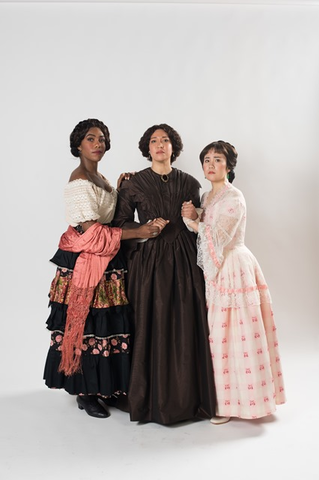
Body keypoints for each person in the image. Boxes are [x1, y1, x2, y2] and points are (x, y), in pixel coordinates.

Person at [43, 119, 160, 419]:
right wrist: (141, 231)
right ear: (78, 145)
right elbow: (92, 232)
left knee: (106, 323)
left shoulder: (100, 178)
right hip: (86, 258)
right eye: (91, 139)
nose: (98, 144)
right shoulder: (79, 181)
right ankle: (86, 391)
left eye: (102, 139)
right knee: (90, 325)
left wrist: (120, 188)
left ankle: (105, 384)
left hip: (107, 258)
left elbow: (107, 214)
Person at [113, 123, 216, 425]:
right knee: (148, 321)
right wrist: (144, 230)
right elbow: (119, 224)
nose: (160, 145)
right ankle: (147, 398)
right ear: (147, 149)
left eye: (166, 140)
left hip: (184, 260)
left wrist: (192, 216)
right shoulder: (132, 183)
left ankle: (189, 398)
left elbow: (199, 224)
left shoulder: (190, 182)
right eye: (154, 141)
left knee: (186, 321)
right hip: (149, 263)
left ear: (174, 147)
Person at [181, 140, 286, 424]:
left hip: (234, 267)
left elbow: (219, 237)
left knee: (233, 332)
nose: (211, 164)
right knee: (216, 333)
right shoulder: (207, 197)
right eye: (207, 160)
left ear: (229, 166)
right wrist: (198, 216)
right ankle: (222, 399)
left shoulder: (234, 197)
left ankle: (242, 402)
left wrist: (193, 222)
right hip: (217, 269)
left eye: (217, 160)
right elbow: (209, 227)